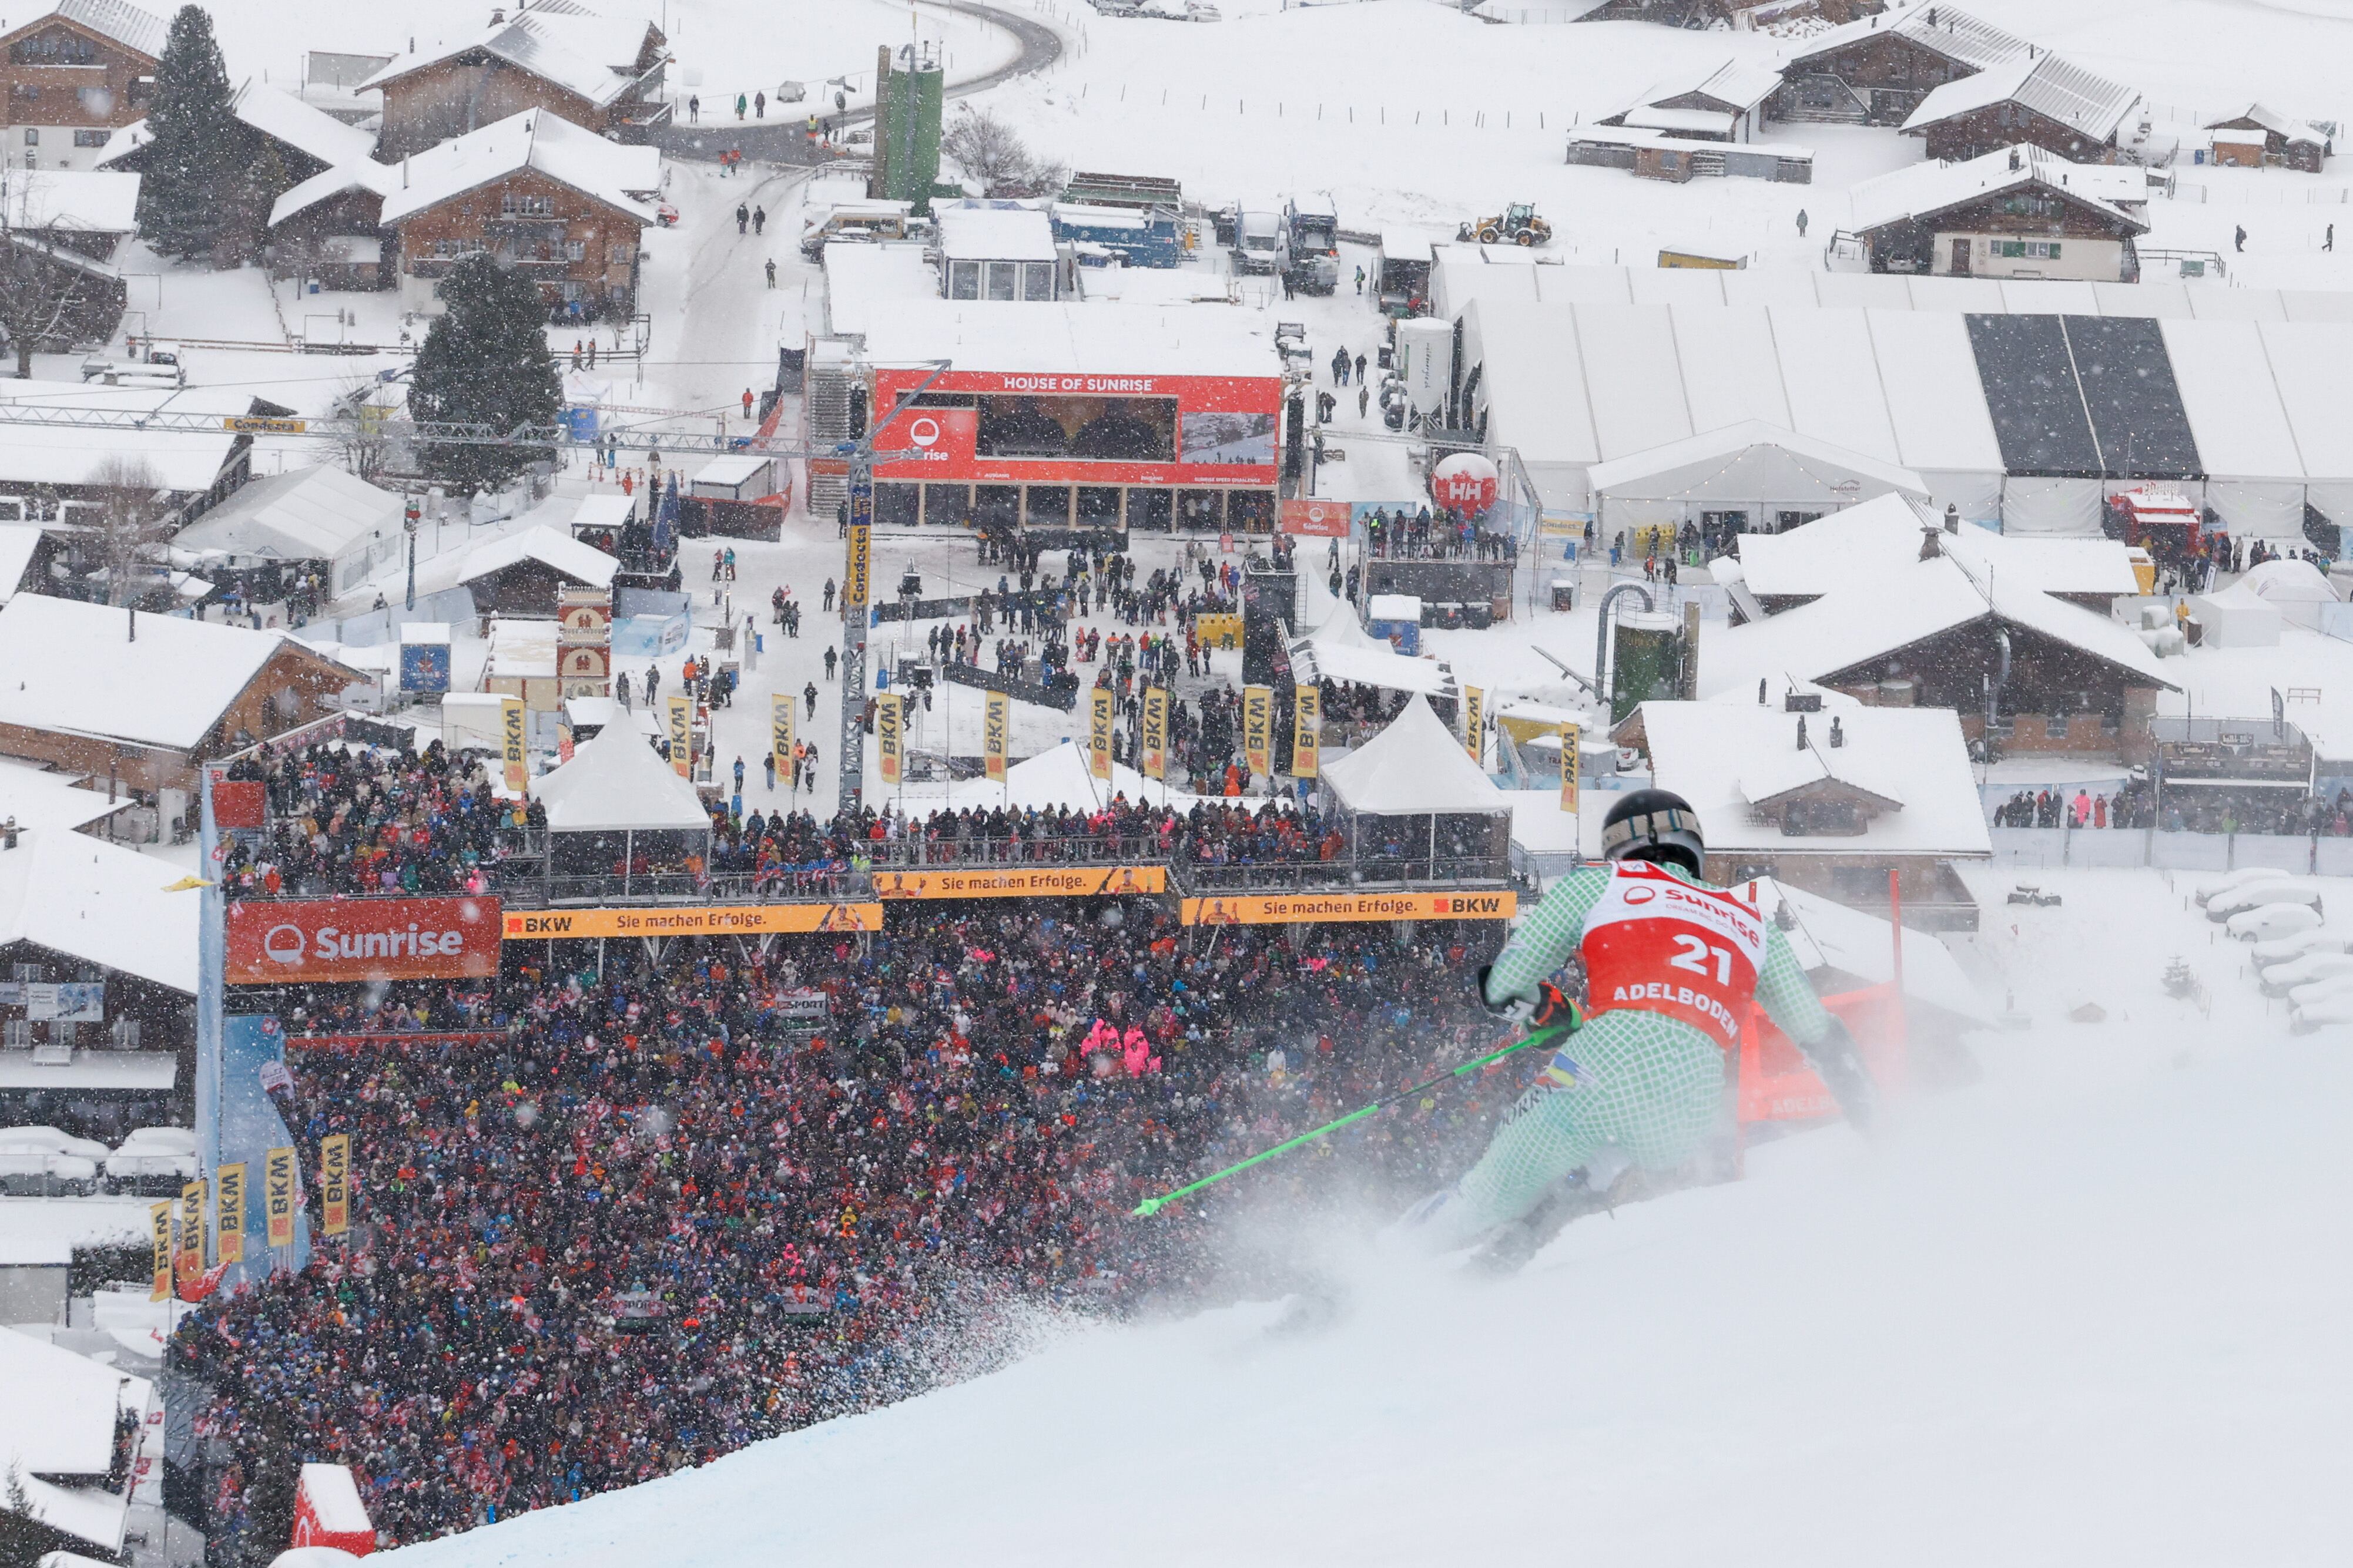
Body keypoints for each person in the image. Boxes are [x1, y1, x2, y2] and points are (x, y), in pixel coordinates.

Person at [1406, 790, 1875, 1255]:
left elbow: (1502, 985)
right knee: (1611, 1157)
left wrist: (1549, 1011)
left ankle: (1388, 1265)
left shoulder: (1600, 883)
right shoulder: (1754, 921)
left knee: (1482, 1196)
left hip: (1596, 1071)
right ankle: (1553, 1216)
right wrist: (1877, 1123)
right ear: (1692, 846)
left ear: (1617, 847)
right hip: (1689, 1105)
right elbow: (1821, 1033)